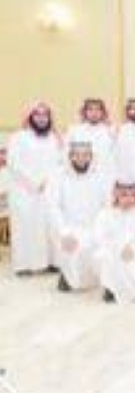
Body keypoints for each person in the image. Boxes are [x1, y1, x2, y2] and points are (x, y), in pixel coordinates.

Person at [7, 102, 63, 275]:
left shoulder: (55, 138)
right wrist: (35, 182)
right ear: (30, 117)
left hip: (50, 190)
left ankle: (51, 262)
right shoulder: (19, 137)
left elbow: (61, 162)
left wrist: (51, 182)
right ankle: (23, 265)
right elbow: (14, 163)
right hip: (25, 192)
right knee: (26, 229)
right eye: (37, 114)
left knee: (49, 227)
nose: (41, 118)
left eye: (45, 115)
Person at [48, 142, 110, 292]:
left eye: (85, 154)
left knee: (101, 248)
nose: (81, 158)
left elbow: (107, 206)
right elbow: (54, 208)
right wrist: (64, 233)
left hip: (95, 227)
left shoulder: (101, 177)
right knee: (73, 248)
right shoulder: (60, 177)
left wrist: (100, 230)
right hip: (70, 228)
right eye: (77, 154)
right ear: (71, 156)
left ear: (91, 157)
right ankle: (68, 276)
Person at [92, 180, 135, 304]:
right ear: (116, 195)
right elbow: (100, 237)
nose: (128, 199)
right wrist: (121, 246)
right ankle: (111, 288)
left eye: (132, 195)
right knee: (108, 256)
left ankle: (119, 287)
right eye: (124, 195)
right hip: (110, 250)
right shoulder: (105, 213)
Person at [65, 98, 115, 178]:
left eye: (97, 109)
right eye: (90, 109)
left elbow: (115, 156)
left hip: (105, 176)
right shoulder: (74, 131)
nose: (94, 113)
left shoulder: (111, 131)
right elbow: (67, 154)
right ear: (84, 112)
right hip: (79, 176)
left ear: (103, 112)